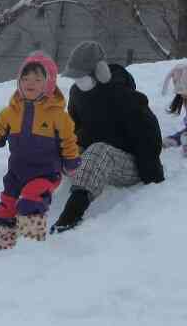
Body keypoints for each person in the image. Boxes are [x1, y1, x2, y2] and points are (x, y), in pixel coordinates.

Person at [0, 51, 81, 246]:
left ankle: (30, 249)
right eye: (25, 78)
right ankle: (5, 249)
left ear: (49, 83)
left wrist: (71, 165)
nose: (30, 83)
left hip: (45, 174)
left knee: (30, 203)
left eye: (37, 78)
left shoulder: (58, 116)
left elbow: (68, 143)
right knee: (5, 210)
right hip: (16, 174)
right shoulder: (11, 113)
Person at [52, 40, 165, 232]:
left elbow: (149, 136)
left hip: (130, 163)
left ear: (100, 72)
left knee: (99, 150)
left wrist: (153, 177)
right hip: (93, 160)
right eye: (75, 78)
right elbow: (73, 126)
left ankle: (72, 213)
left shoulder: (124, 97)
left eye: (82, 77)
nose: (78, 82)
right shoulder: (77, 93)